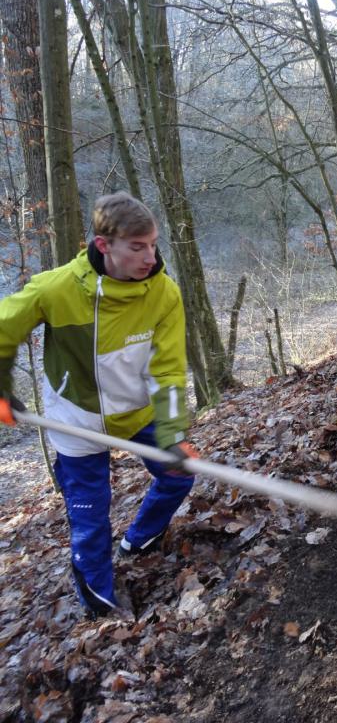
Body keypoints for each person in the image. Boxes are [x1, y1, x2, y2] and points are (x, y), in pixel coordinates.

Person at [0, 191, 196, 618]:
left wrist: (174, 433)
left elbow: (168, 369)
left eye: (153, 244)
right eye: (137, 246)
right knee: (90, 521)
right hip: (77, 421)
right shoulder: (57, 289)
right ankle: (100, 603)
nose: (150, 256)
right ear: (105, 245)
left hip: (138, 414)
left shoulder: (163, 293)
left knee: (179, 478)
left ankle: (139, 540)